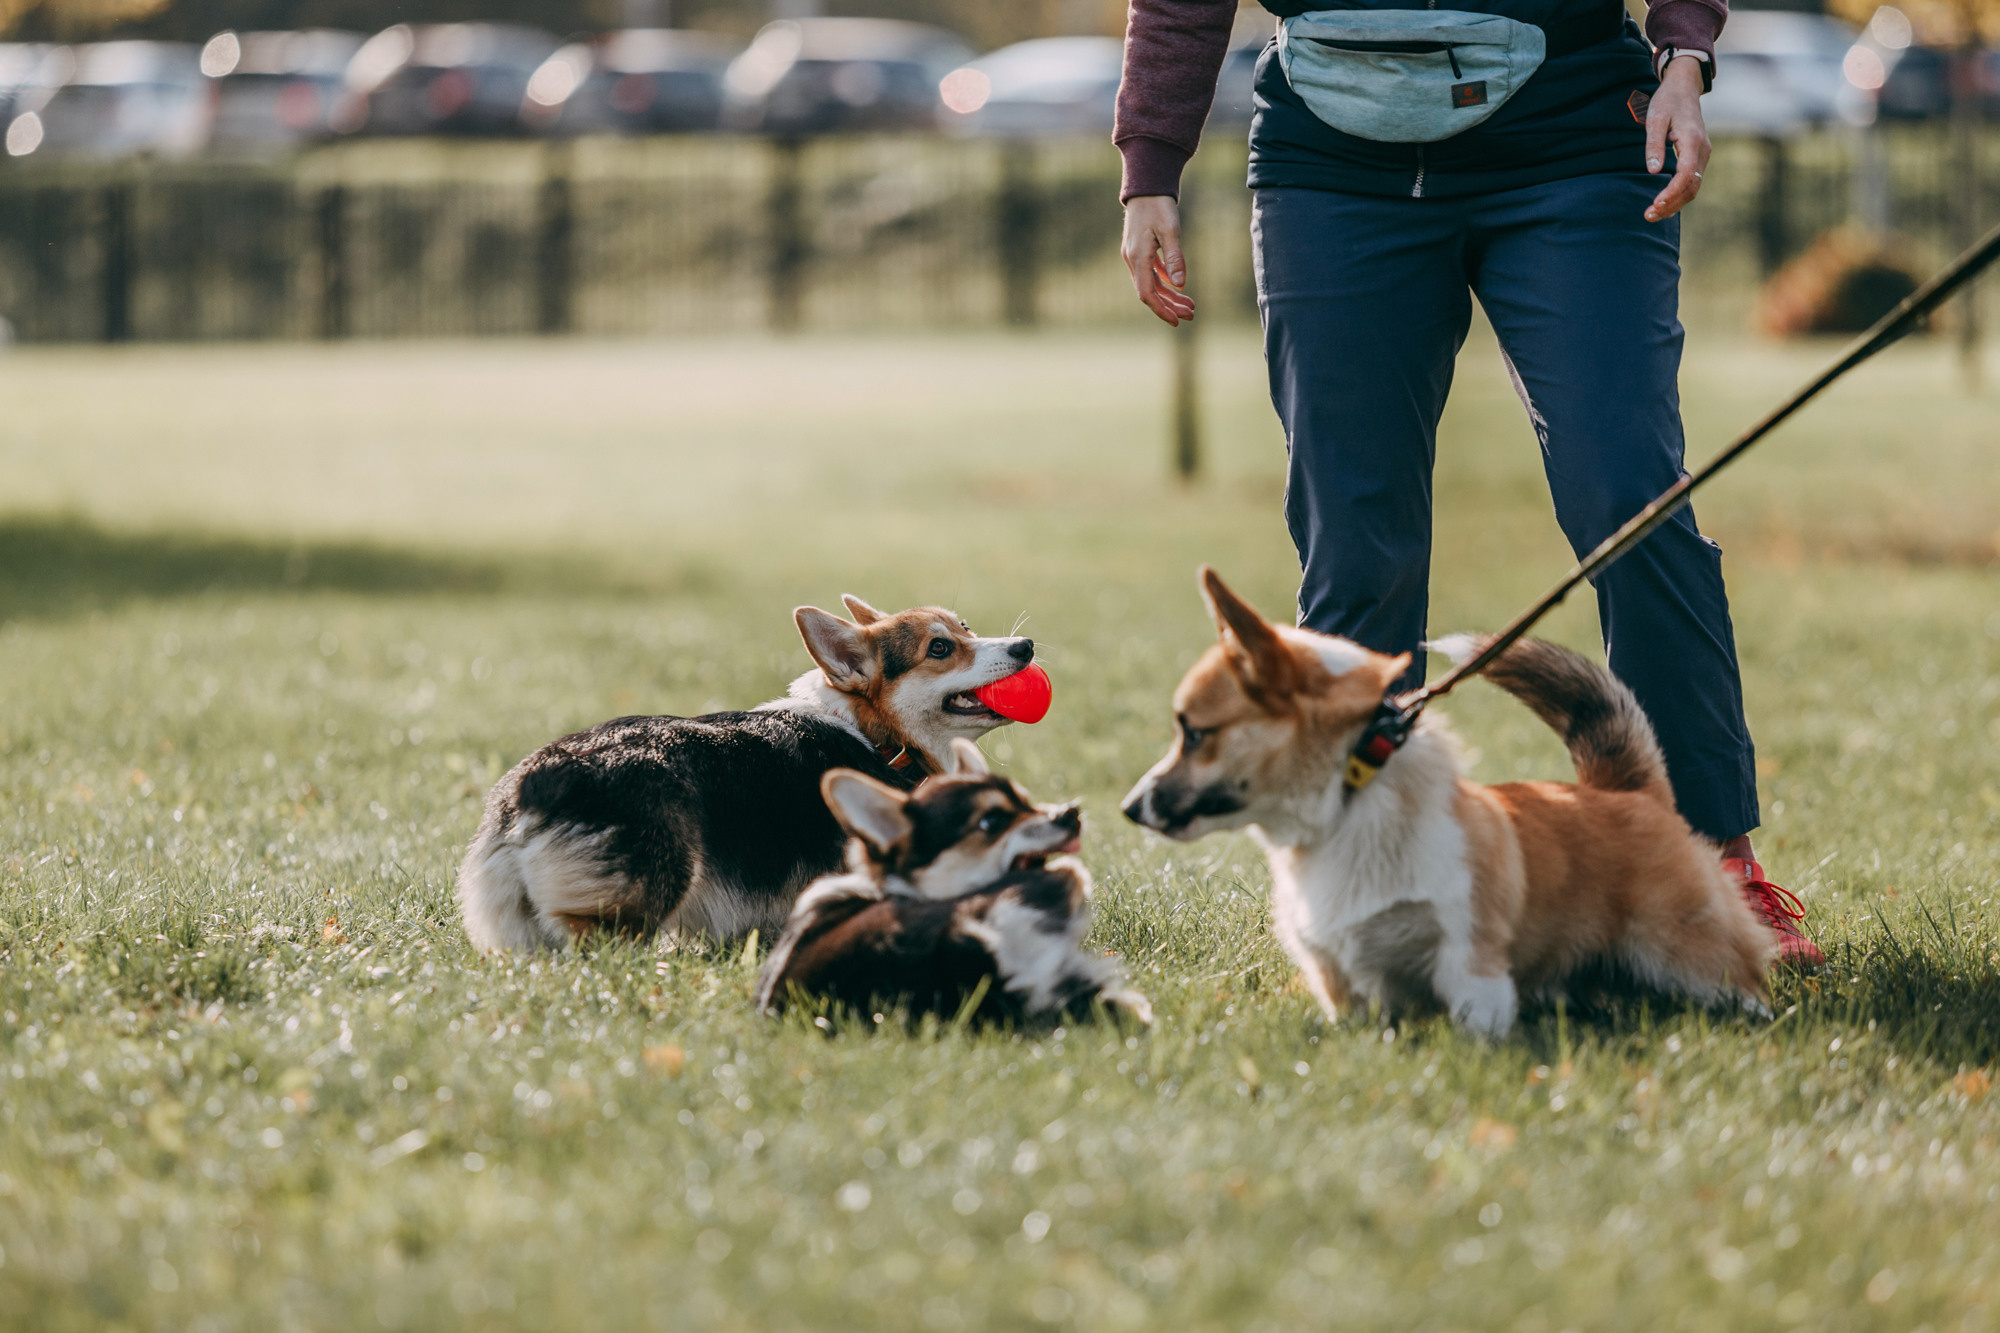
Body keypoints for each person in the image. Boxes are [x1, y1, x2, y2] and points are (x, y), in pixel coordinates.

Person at [1114, 0, 1822, 964]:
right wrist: (1149, 163)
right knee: (1356, 546)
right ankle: (1362, 881)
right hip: (1333, 162)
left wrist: (1685, 55)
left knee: (1630, 499)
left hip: (1572, 136)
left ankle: (1714, 864)